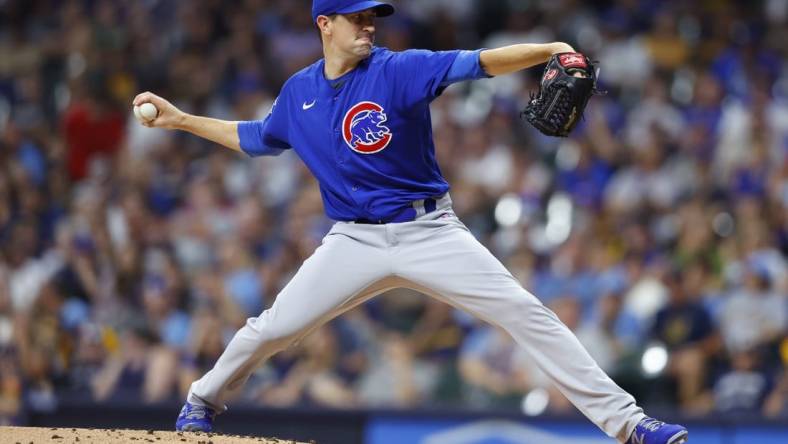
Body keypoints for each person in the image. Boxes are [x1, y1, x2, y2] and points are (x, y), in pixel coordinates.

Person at [133, 1, 688, 443]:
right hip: (353, 240)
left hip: (431, 233)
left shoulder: (399, 69)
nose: (369, 26)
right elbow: (254, 138)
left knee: (527, 313)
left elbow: (482, 62)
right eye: (357, 18)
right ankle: (201, 399)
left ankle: (630, 424)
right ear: (324, 25)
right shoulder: (299, 92)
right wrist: (182, 120)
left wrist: (549, 48)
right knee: (274, 328)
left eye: (373, 16)